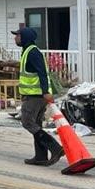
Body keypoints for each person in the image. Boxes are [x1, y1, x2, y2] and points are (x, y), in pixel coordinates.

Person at [12, 26, 63, 166]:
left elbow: (42, 73)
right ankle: (41, 156)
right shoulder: (28, 51)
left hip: (35, 96)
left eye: (17, 35)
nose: (15, 38)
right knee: (37, 124)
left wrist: (46, 91)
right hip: (36, 95)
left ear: (25, 37)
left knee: (27, 122)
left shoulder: (33, 53)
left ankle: (55, 148)